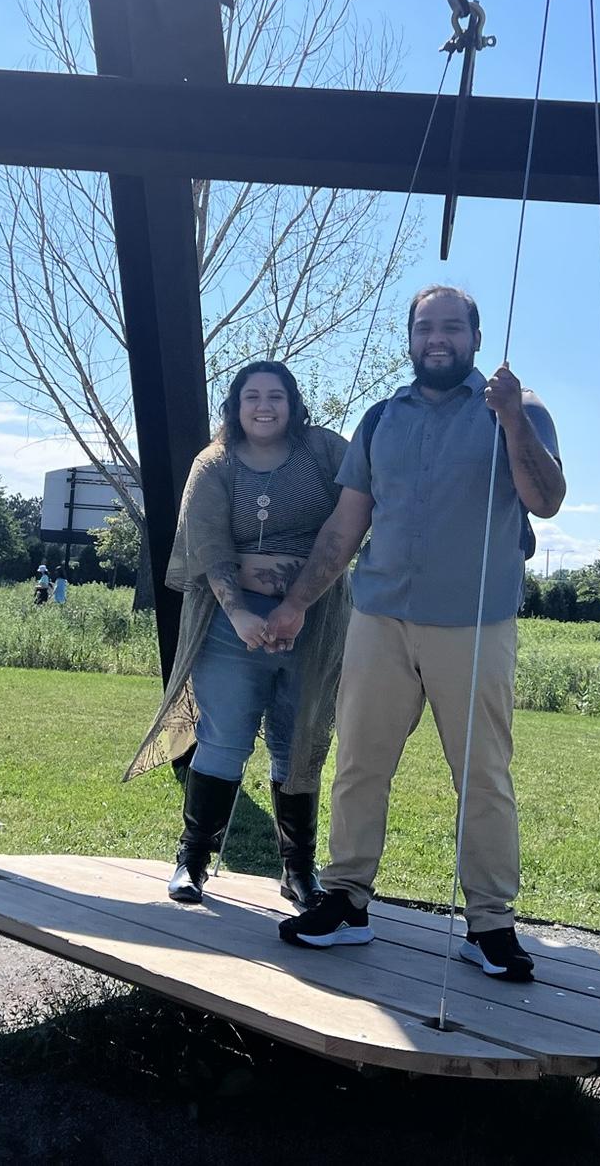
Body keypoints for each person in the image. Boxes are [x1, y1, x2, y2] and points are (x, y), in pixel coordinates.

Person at [265, 286, 564, 981]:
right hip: (379, 619)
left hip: (476, 623)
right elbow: (346, 525)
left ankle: (489, 924)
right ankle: (346, 901)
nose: (437, 339)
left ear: (475, 338)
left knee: (482, 776)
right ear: (409, 338)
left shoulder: (519, 408)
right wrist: (298, 603)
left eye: (452, 327)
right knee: (359, 763)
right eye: (425, 327)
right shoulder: (380, 420)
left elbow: (546, 500)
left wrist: (510, 418)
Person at [125, 360, 352, 909]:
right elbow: (208, 546)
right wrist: (242, 616)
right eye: (252, 396)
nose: (264, 406)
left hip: (315, 622)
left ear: (294, 404)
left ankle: (298, 870)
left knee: (297, 743)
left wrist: (296, 606)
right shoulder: (214, 463)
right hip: (232, 624)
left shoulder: (325, 452)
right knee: (223, 739)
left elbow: (358, 512)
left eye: (276, 396)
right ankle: (193, 860)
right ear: (235, 405)